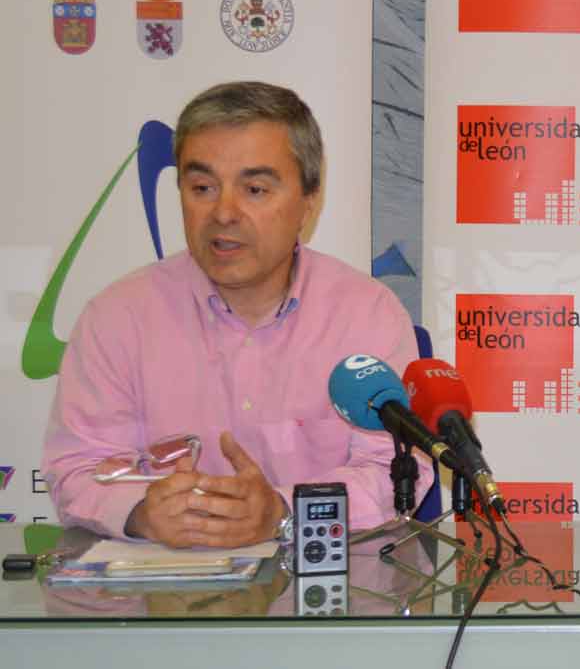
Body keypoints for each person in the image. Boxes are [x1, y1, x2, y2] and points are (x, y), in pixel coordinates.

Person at [42, 81, 430, 548]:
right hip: (161, 603)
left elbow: (398, 470)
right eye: (202, 187)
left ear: (309, 201)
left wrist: (283, 512)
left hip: (329, 595)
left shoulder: (366, 314)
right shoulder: (117, 317)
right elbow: (80, 468)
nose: (224, 212)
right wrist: (142, 513)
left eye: (255, 189)